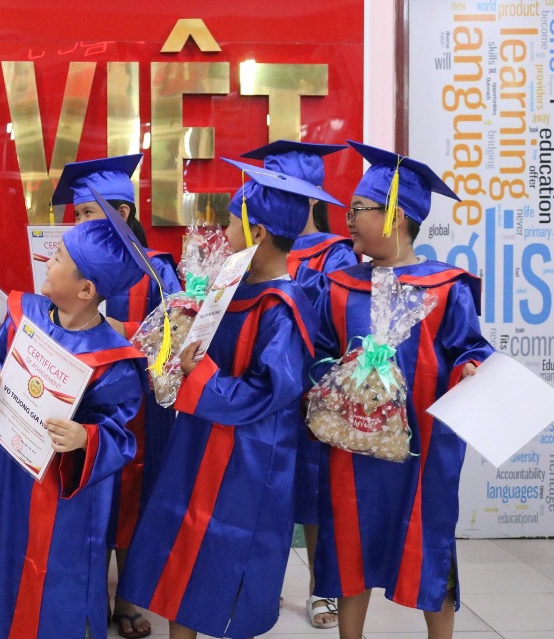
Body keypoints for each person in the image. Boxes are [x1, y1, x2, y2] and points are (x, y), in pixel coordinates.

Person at [118, 161, 342, 639]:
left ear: (257, 233)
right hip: (199, 440)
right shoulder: (232, 291)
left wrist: (201, 377)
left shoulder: (283, 308)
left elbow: (268, 391)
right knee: (181, 548)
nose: (222, 232)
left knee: (224, 561)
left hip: (248, 460)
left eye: (231, 223)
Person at [310, 141, 493, 639]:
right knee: (351, 545)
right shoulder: (339, 286)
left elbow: (471, 349)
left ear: (396, 215)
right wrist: (335, 376)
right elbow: (318, 353)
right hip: (352, 444)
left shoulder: (446, 287)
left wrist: (471, 367)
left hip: (423, 450)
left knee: (430, 546)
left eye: (359, 209)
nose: (348, 219)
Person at [0, 210, 150, 639]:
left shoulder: (115, 360)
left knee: (55, 576)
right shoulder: (24, 314)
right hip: (4, 473)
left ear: (86, 289)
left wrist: (85, 437)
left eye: (57, 258)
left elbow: (119, 433)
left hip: (61, 495)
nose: (47, 261)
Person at [52, 154, 182, 638]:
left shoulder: (157, 270)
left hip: (140, 408)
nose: (79, 223)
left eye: (88, 213)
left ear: (122, 213)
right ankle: (90, 597)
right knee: (91, 494)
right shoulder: (74, 260)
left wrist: (116, 330)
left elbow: (172, 337)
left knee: (134, 499)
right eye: (78, 214)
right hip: (83, 404)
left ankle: (126, 598)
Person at [240, 139, 357, 629]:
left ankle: (319, 586)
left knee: (314, 491)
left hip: (311, 388)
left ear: (310, 197)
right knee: (258, 491)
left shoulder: (335, 255)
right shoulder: (253, 249)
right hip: (261, 385)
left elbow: (340, 322)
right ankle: (255, 586)